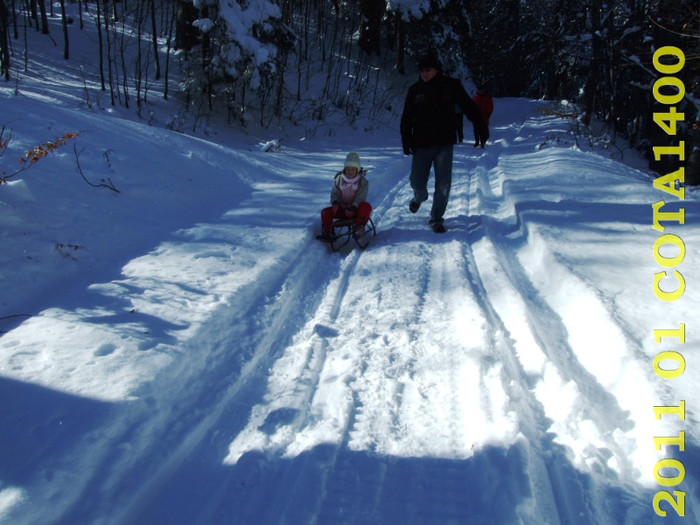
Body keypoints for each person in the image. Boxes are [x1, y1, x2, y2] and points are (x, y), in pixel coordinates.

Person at [400, 52, 486, 233]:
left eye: (428, 70)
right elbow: (407, 117)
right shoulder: (415, 90)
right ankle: (419, 197)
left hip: (444, 143)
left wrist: (480, 125)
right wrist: (405, 138)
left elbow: (468, 106)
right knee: (417, 181)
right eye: (422, 70)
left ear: (437, 69)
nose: (424, 73)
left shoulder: (451, 86)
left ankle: (436, 218)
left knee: (444, 183)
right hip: (421, 143)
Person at [319, 151, 372, 239]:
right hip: (342, 210)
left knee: (366, 206)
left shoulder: (363, 181)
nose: (350, 171)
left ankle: (359, 228)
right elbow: (334, 193)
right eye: (348, 169)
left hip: (356, 211)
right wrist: (335, 202)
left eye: (353, 169)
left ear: (357, 170)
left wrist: (354, 207)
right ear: (344, 169)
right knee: (325, 212)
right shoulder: (339, 179)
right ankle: (328, 232)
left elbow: (361, 197)